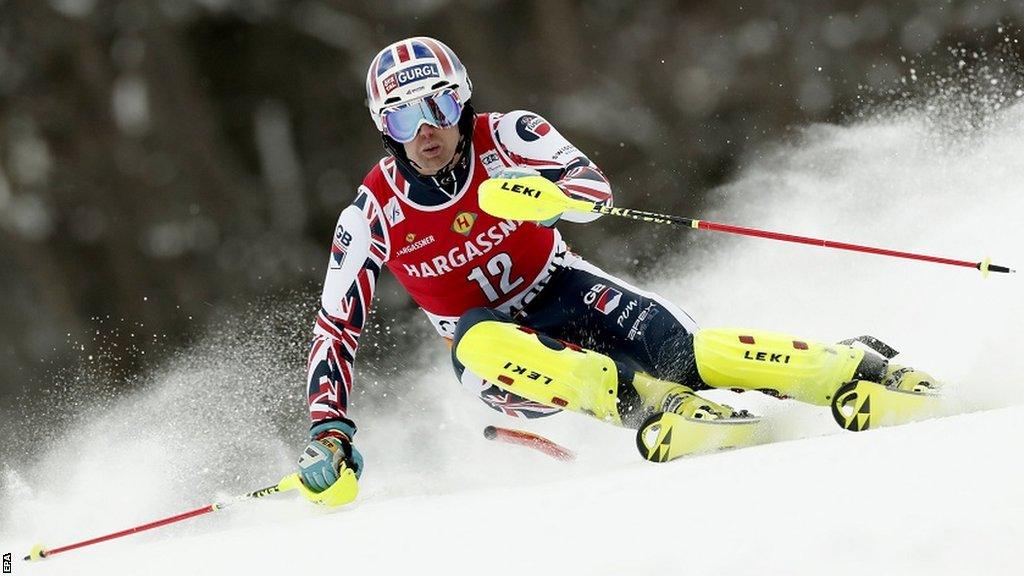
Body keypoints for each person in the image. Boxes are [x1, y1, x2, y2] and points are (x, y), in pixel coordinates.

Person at [295, 37, 936, 496]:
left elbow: (592, 188)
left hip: (563, 288)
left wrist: (553, 198)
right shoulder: (372, 212)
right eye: (403, 116)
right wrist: (329, 429)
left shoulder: (509, 135)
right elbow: (336, 326)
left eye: (438, 106)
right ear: (385, 127)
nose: (425, 129)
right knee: (480, 336)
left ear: (460, 103)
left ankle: (851, 368)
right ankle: (654, 407)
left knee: (682, 349)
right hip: (496, 361)